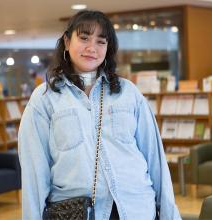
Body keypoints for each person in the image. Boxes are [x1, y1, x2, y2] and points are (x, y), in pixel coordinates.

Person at [18, 10, 181, 220]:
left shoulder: (128, 92)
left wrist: (170, 215)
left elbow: (155, 160)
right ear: (67, 42)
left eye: (100, 42)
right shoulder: (45, 98)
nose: (91, 48)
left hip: (136, 208)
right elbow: (34, 173)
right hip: (76, 212)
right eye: (84, 38)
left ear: (108, 48)